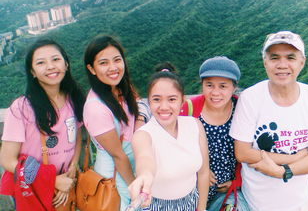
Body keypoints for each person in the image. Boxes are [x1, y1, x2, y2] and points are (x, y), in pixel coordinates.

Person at [230, 31, 308, 211]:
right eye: (274, 57)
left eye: (291, 57)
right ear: (265, 62)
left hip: (299, 201)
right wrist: (292, 158)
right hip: (257, 202)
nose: (282, 65)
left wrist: (283, 171)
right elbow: (243, 153)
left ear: (302, 62)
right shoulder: (251, 98)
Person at [0, 38, 85, 209]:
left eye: (56, 59)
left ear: (66, 64)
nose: (51, 66)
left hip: (65, 185)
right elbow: (7, 159)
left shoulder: (73, 99)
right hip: (34, 188)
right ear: (32, 71)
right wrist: (53, 181)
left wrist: (73, 167)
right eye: (41, 63)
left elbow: (76, 136)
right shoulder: (21, 108)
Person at [128, 63, 210, 211]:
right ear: (149, 102)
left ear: (182, 101)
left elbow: (203, 172)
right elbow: (145, 160)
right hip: (156, 205)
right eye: (157, 99)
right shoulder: (143, 135)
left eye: (172, 99)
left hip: (191, 201)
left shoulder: (195, 125)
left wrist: (202, 207)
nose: (164, 107)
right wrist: (144, 178)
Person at [180, 56, 249, 211]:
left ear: (233, 87)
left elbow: (252, 149)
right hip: (193, 189)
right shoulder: (189, 109)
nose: (215, 92)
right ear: (202, 85)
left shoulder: (242, 109)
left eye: (223, 86)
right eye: (209, 85)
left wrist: (238, 181)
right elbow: (174, 146)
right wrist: (198, 168)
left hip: (227, 191)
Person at [83, 35, 139, 210]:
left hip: (133, 167)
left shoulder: (122, 88)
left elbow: (136, 113)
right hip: (115, 178)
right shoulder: (95, 108)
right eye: (103, 63)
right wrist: (135, 188)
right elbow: (118, 155)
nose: (113, 68)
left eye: (117, 60)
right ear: (92, 69)